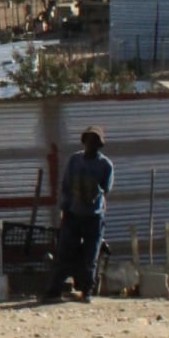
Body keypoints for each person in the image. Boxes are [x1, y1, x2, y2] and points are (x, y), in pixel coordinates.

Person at [42, 126, 114, 304]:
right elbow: (66, 187)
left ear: (100, 144)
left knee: (91, 256)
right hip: (73, 214)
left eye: (95, 141)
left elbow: (106, 189)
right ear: (84, 141)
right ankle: (54, 291)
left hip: (94, 217)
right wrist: (64, 210)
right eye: (89, 140)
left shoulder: (105, 165)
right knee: (64, 253)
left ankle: (86, 291)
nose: (91, 144)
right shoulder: (74, 160)